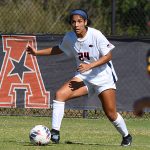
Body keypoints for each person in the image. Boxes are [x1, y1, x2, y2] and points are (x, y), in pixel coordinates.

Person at [26, 9, 132, 146]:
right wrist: (36, 53)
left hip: (103, 78)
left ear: (85, 22)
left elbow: (108, 56)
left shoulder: (96, 35)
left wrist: (90, 66)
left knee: (111, 113)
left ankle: (127, 136)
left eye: (80, 21)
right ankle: (55, 132)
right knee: (60, 95)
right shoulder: (70, 37)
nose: (76, 25)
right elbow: (59, 48)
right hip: (84, 78)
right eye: (73, 22)